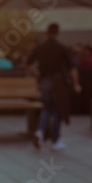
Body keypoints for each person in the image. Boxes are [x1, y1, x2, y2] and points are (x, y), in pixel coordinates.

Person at [26, 23, 81, 151]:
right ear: (57, 33)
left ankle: (39, 131)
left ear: (46, 32)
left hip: (44, 80)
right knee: (57, 110)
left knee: (46, 108)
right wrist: (76, 84)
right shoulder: (61, 48)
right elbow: (72, 68)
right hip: (57, 82)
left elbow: (28, 64)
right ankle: (55, 140)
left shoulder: (40, 48)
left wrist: (37, 75)